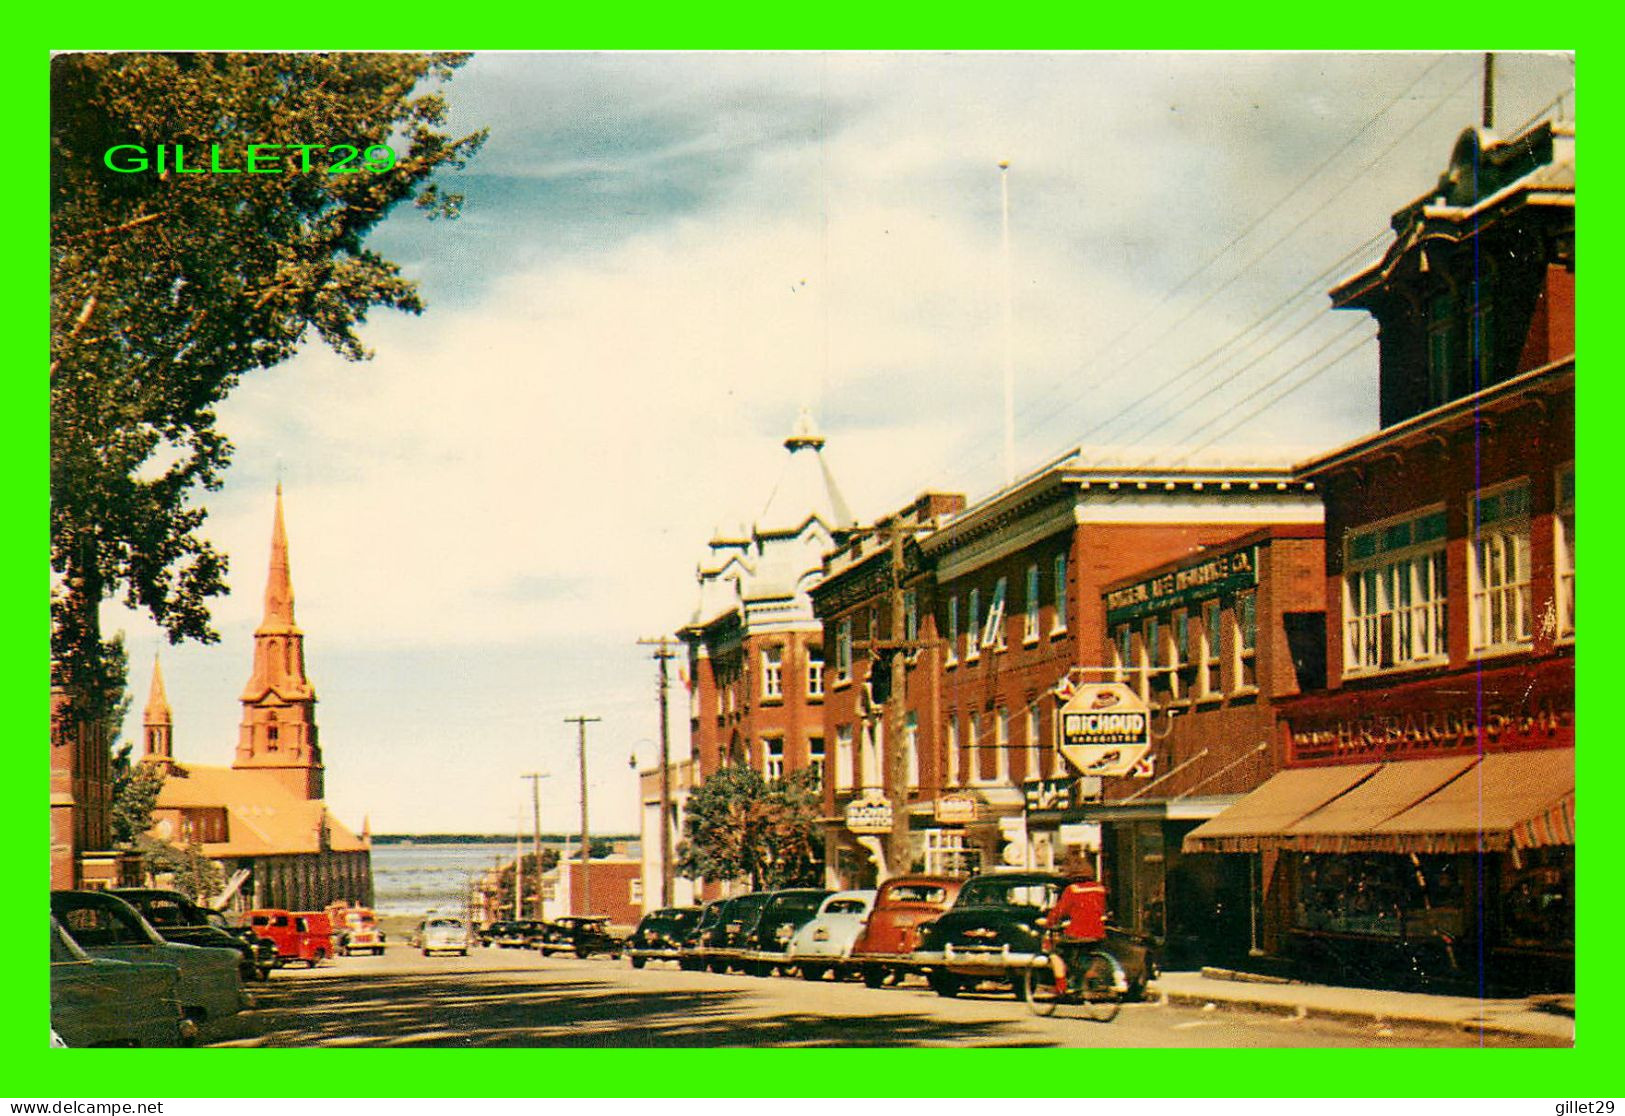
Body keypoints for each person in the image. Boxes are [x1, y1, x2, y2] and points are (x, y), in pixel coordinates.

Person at [1039, 855, 1108, 997]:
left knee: (1055, 953)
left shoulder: (1073, 890)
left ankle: (1061, 986)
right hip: (1097, 933)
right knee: (1085, 955)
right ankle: (1085, 981)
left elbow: (1059, 912)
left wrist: (1047, 923)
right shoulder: (1100, 889)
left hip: (1077, 932)